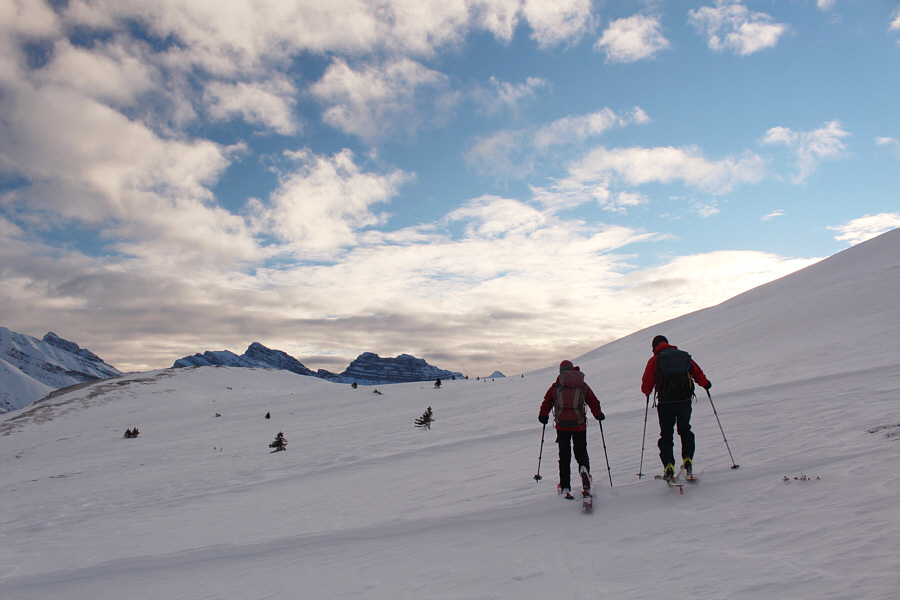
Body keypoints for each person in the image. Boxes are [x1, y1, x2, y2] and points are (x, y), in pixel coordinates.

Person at [641, 335, 711, 482]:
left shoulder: (654, 360)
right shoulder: (683, 356)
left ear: (654, 347)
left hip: (666, 403)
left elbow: (646, 386)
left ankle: (668, 466)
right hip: (685, 401)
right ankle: (688, 460)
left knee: (666, 435)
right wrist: (705, 384)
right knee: (685, 430)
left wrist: (648, 391)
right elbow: (697, 372)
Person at [539, 360, 604, 499]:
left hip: (562, 426)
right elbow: (593, 400)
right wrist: (598, 414)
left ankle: (565, 487)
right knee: (581, 451)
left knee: (564, 456)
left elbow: (547, 402)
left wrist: (543, 416)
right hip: (579, 425)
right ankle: (584, 470)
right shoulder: (581, 385)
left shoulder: (557, 386)